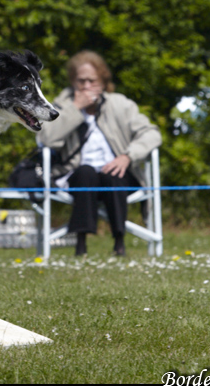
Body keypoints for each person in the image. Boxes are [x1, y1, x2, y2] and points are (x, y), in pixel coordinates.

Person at [37, 51, 161, 257]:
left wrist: (128, 155)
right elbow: (46, 138)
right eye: (81, 81)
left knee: (113, 173)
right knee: (86, 172)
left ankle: (119, 241)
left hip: (117, 174)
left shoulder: (121, 104)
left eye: (91, 81)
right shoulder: (62, 105)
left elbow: (152, 134)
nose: (86, 86)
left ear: (103, 82)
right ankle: (81, 243)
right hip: (77, 176)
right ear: (73, 82)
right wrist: (75, 108)